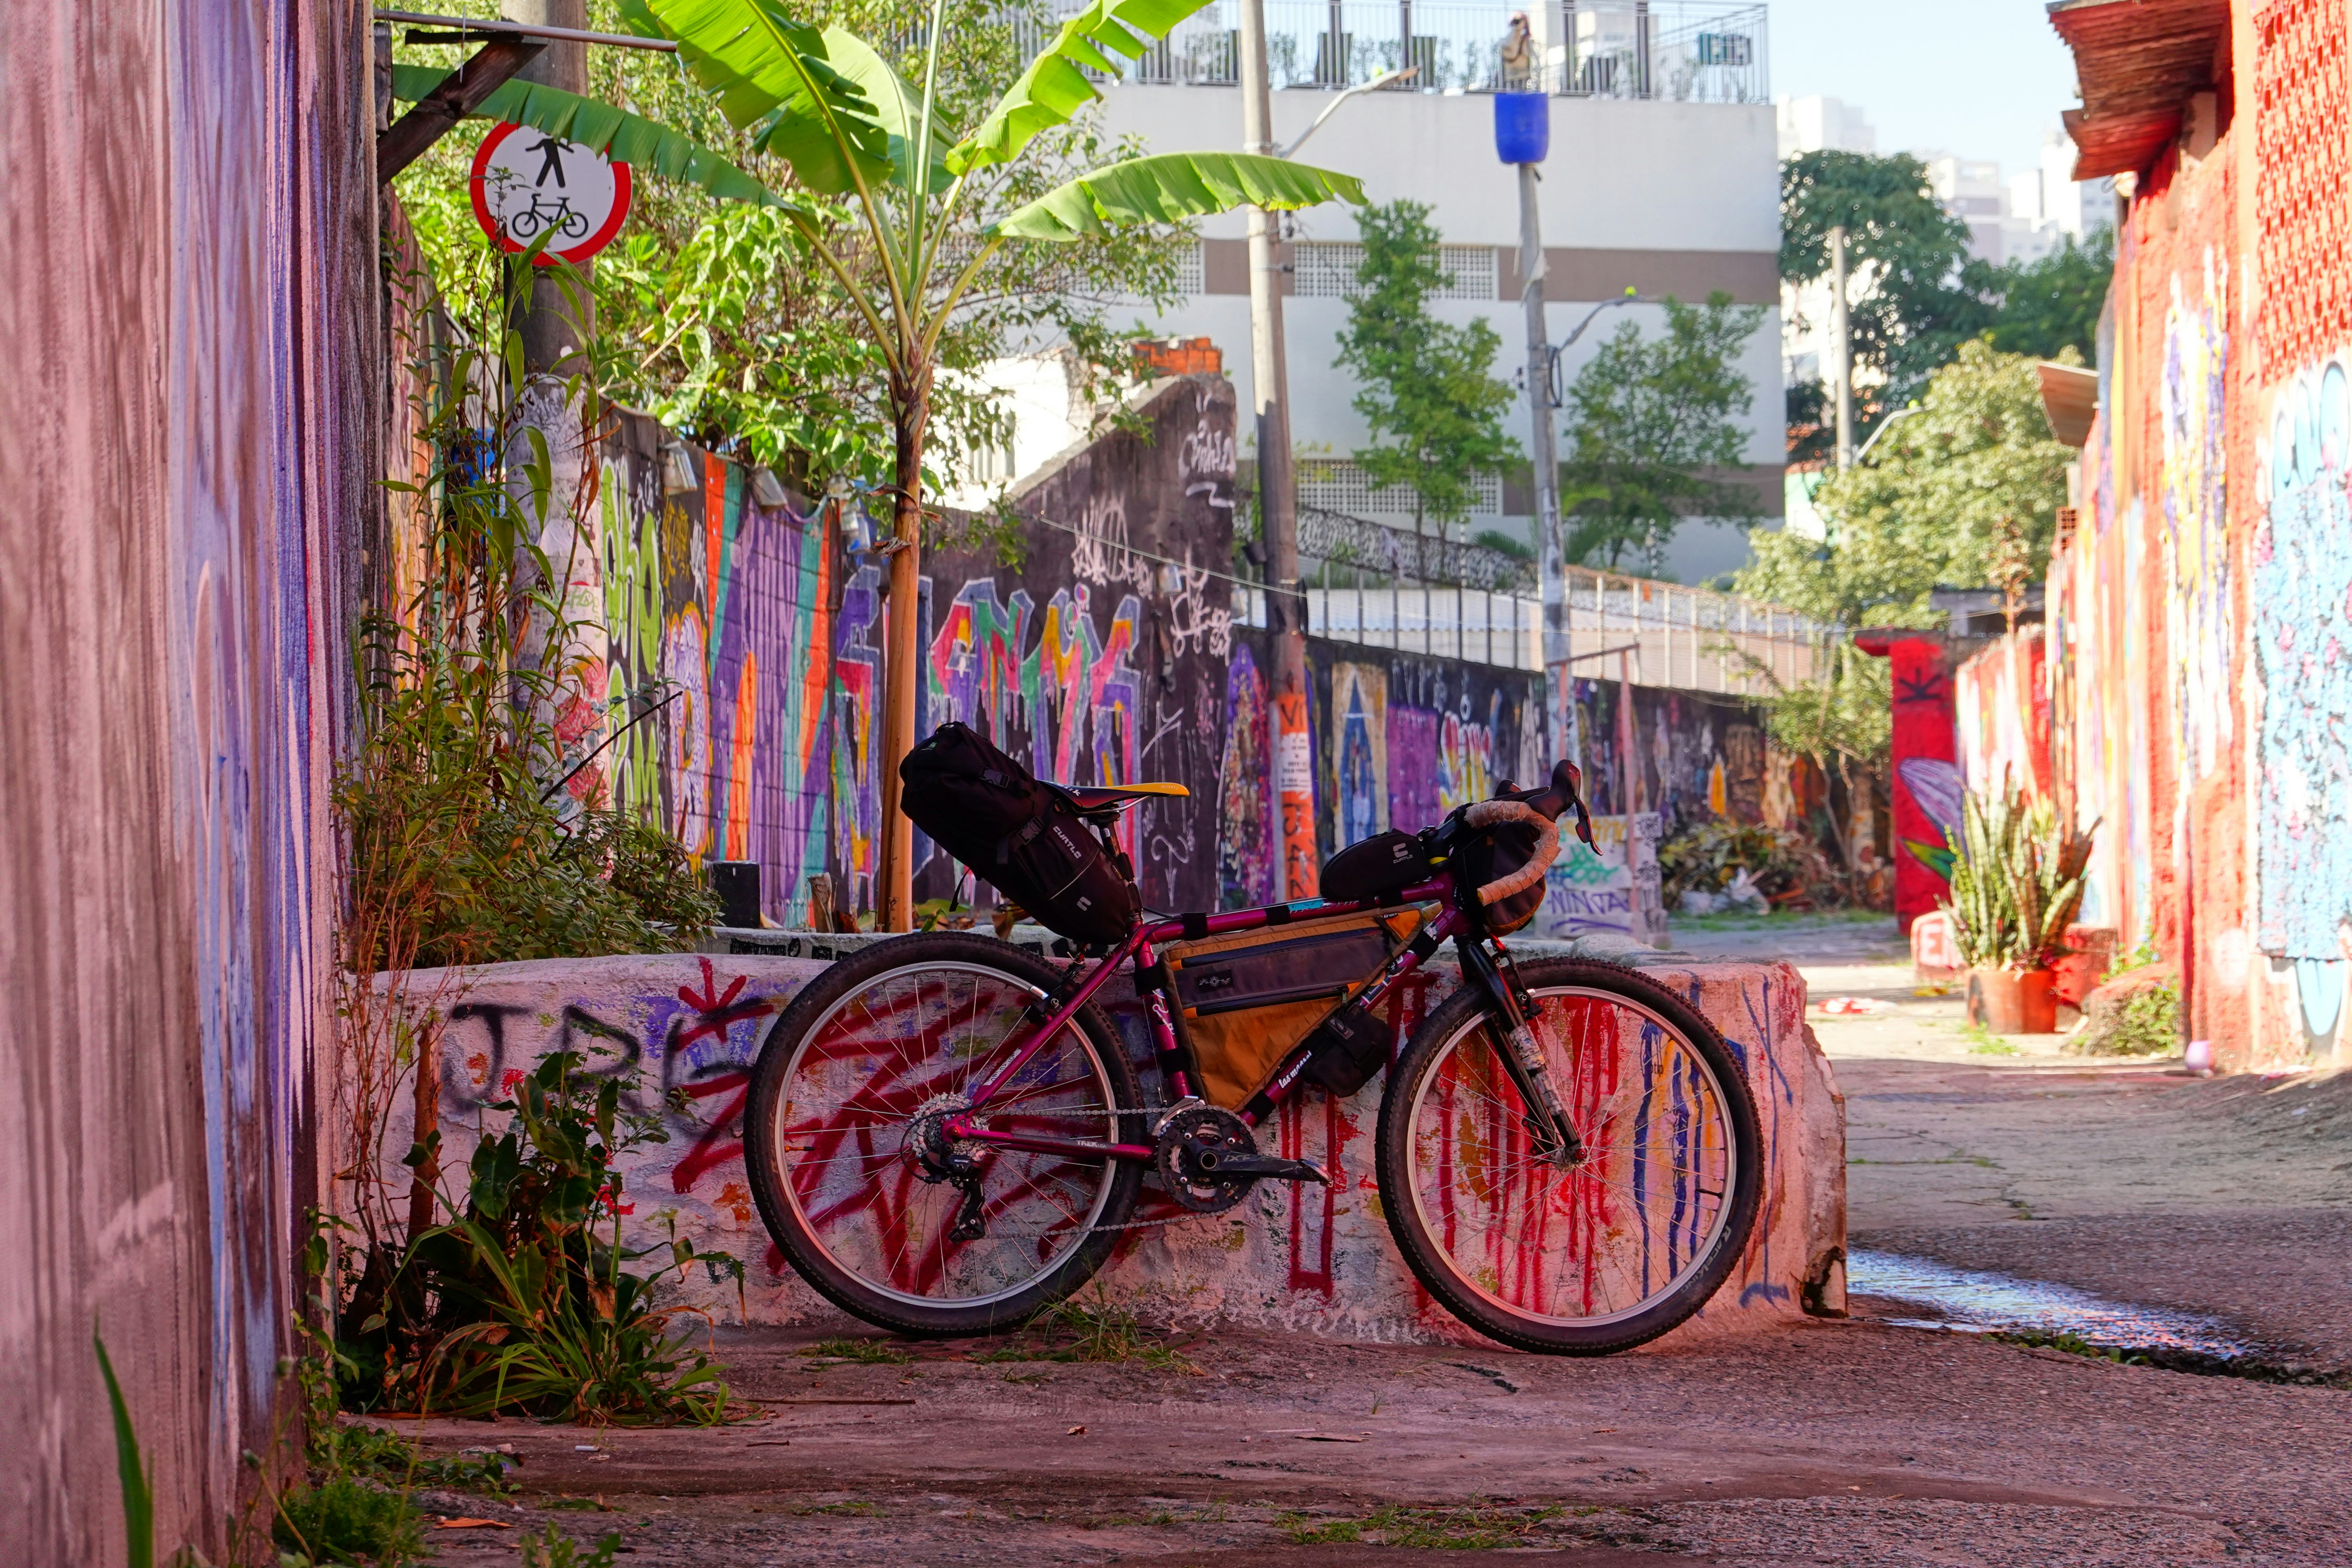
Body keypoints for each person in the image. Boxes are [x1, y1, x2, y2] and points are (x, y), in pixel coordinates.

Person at [1500, 11, 1535, 91]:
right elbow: (1507, 45)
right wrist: (1514, 31)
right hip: (1510, 72)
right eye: (1516, 21)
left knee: (1522, 91)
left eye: (1520, 20)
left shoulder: (1526, 40)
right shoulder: (1509, 38)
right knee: (1511, 92)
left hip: (1523, 72)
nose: (1518, 23)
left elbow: (1531, 54)